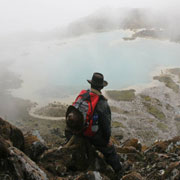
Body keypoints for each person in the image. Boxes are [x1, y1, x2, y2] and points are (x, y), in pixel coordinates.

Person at [65, 72, 122, 175]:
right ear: (101, 87)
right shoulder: (102, 103)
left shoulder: (83, 94)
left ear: (91, 84)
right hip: (90, 134)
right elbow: (106, 127)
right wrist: (107, 140)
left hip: (74, 130)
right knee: (110, 150)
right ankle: (119, 172)